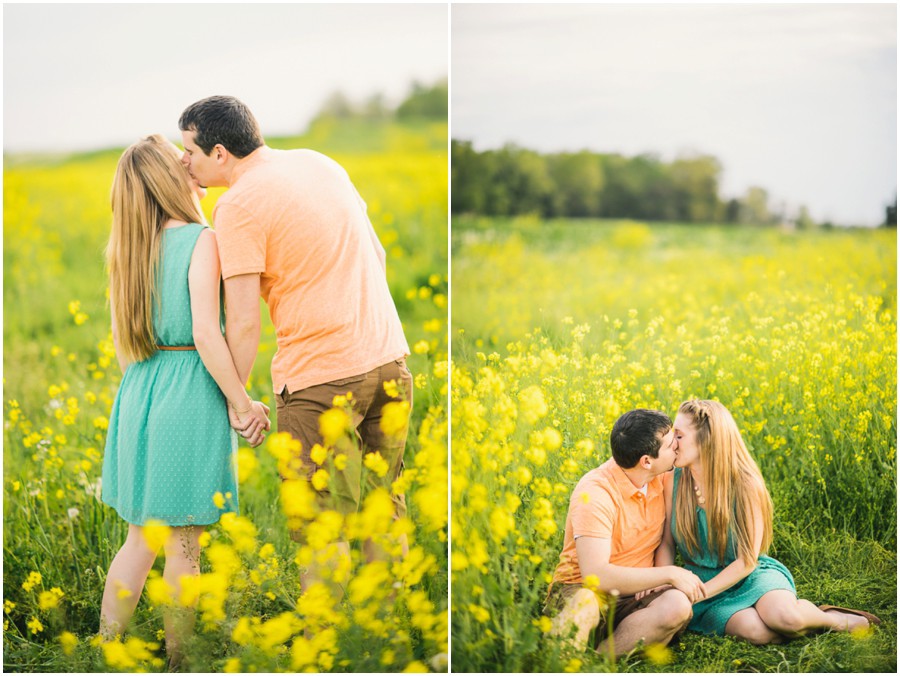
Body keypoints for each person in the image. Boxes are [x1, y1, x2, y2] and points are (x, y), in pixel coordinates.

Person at [177, 96, 412, 588]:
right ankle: (384, 641)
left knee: (321, 528)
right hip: (390, 357)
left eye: (191, 152)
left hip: (320, 378)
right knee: (383, 504)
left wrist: (236, 404)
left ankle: (320, 651)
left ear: (219, 153)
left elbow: (241, 323)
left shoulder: (237, 205)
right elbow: (380, 253)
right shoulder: (318, 162)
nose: (185, 162)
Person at [99, 134, 270, 666]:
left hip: (139, 391)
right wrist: (242, 403)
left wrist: (146, 394)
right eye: (181, 164)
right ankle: (180, 660)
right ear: (167, 181)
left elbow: (122, 343)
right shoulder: (201, 239)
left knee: (139, 540)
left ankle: (103, 650)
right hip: (187, 391)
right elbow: (205, 332)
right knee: (184, 547)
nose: (190, 168)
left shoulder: (126, 249)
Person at [656, 399, 880, 644]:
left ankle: (832, 618)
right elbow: (666, 543)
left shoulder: (745, 484)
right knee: (756, 632)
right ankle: (796, 621)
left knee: (786, 619)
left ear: (707, 439)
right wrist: (664, 584)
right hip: (698, 580)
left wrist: (698, 596)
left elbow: (747, 560)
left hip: (748, 575)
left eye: (678, 436)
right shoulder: (672, 480)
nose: (671, 444)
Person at [546, 409, 706, 657]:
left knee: (677, 606)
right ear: (646, 461)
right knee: (586, 605)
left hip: (635, 596)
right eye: (669, 443)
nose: (676, 445)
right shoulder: (596, 492)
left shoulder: (661, 476)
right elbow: (595, 576)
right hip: (582, 588)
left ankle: (598, 661)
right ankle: (557, 662)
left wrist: (656, 580)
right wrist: (669, 573)